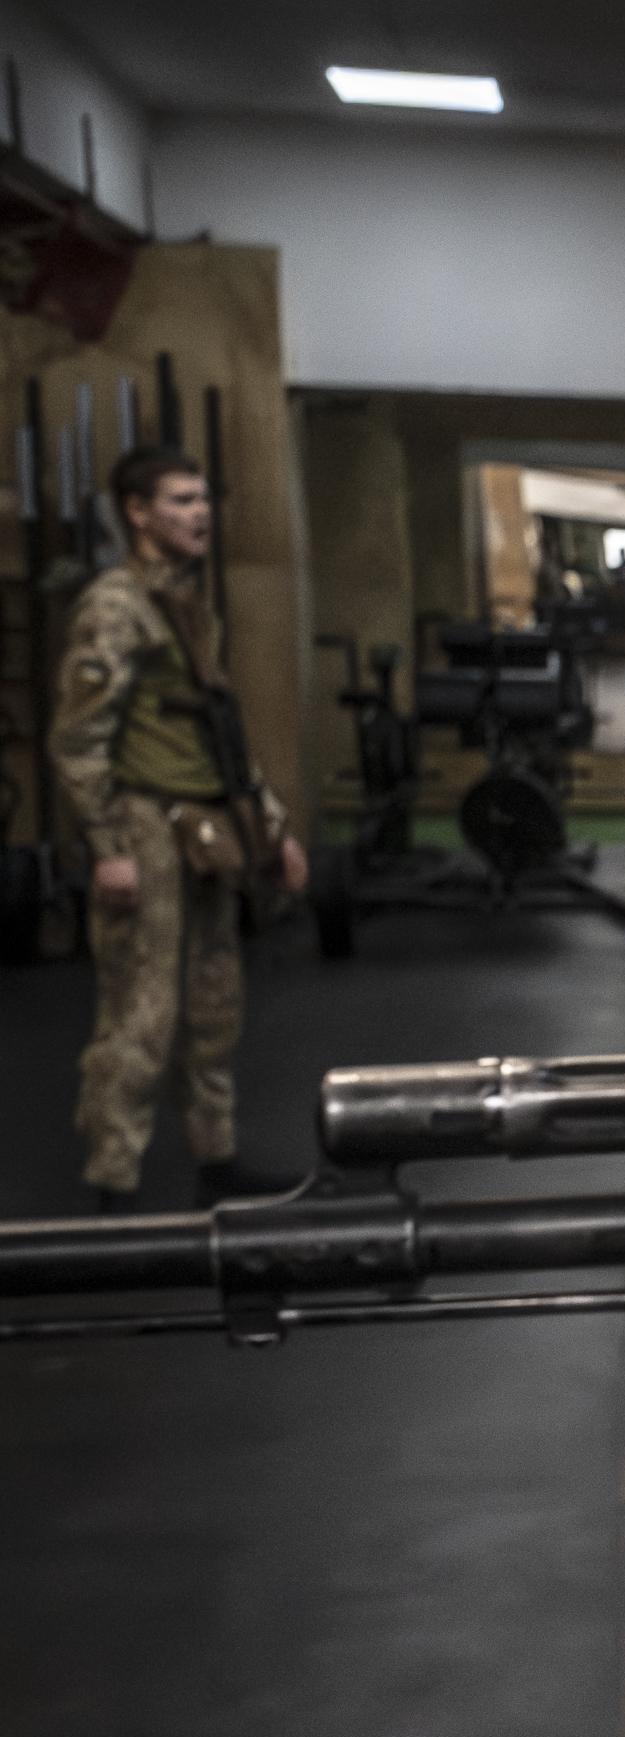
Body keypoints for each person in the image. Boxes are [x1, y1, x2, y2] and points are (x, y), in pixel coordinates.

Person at [53, 445, 309, 1210]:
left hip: (205, 829)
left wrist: (271, 828)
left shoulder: (189, 604)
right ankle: (114, 1186)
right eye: (181, 501)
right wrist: (108, 848)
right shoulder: (114, 605)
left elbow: (220, 730)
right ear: (138, 512)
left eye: (204, 499)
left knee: (212, 1004)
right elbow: (78, 740)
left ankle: (216, 1160)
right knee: (140, 1016)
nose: (201, 514)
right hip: (145, 828)